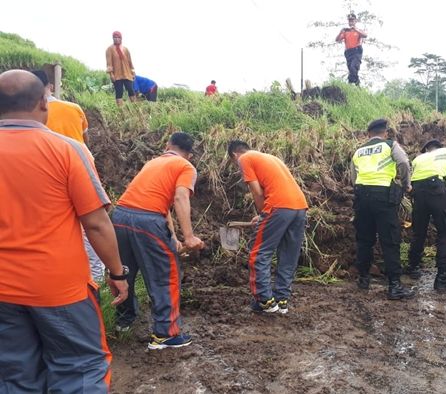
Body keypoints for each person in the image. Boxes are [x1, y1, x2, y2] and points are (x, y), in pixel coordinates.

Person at [0, 69, 128, 391]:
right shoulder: (68, 149)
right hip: (59, 289)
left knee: (15, 374)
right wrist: (117, 272)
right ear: (44, 102)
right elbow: (97, 223)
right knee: (80, 368)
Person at [112, 132, 205, 350]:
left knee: (125, 271)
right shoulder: (185, 166)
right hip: (147, 221)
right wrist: (189, 237)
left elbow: (162, 206)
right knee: (166, 274)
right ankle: (165, 334)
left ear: (167, 146)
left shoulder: (153, 163)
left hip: (121, 216)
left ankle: (123, 322)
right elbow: (180, 197)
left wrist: (172, 237)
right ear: (189, 155)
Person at [31, 69, 106, 281]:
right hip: (78, 167)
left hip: (44, 174)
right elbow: (85, 140)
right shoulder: (73, 108)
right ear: (50, 87)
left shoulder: (27, 112)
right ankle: (96, 279)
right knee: (90, 221)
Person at [227, 140, 308, 314]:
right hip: (299, 207)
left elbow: (257, 191)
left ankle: (265, 300)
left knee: (259, 253)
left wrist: (264, 213)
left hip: (278, 206)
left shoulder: (244, 158)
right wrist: (264, 214)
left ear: (234, 154)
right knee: (288, 254)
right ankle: (281, 300)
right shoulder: (270, 157)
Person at [350, 118, 414, 300]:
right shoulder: (390, 145)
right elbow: (403, 163)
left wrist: (361, 190)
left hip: (362, 197)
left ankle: (363, 279)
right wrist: (405, 184)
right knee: (390, 240)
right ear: (385, 133)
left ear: (368, 134)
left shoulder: (359, 151)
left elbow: (353, 176)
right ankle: (394, 286)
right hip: (383, 196)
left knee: (364, 239)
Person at [406, 139, 446, 290]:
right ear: (439, 147)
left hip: (418, 191)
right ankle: (442, 278)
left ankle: (413, 268)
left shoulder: (418, 158)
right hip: (436, 188)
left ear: (426, 149)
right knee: (444, 232)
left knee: (418, 232)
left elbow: (410, 178)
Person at [335, 13, 367, 85]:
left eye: (352, 20)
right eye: (350, 21)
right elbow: (337, 39)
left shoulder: (358, 30)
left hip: (357, 51)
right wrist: (341, 32)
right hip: (348, 52)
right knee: (351, 70)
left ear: (355, 21)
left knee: (353, 67)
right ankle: (356, 84)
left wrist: (355, 29)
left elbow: (365, 35)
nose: (351, 22)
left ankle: (352, 83)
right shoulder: (346, 31)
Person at [106, 31, 136, 106]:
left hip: (127, 73)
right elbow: (109, 63)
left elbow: (130, 61)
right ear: (113, 39)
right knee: (119, 91)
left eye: (118, 37)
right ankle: (120, 109)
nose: (116, 39)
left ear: (121, 38)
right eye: (114, 38)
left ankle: (135, 107)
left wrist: (133, 72)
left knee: (130, 90)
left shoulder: (125, 49)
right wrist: (111, 74)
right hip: (117, 75)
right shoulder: (109, 49)